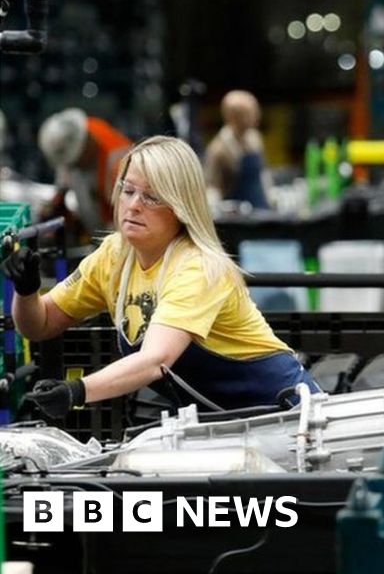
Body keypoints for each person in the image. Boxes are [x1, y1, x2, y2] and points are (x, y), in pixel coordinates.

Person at [3, 136, 320, 418]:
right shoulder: (113, 255)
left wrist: (76, 391)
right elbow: (38, 325)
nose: (134, 205)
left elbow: (156, 360)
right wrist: (26, 290)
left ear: (181, 207)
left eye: (152, 197)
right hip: (222, 423)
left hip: (287, 418)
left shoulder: (198, 268)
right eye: (128, 191)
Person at [37, 108, 133, 233]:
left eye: (74, 162)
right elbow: (65, 170)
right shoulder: (81, 129)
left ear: (85, 148)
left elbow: (130, 218)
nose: (72, 167)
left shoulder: (119, 166)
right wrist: (58, 198)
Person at [204, 89, 270, 209]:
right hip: (238, 217)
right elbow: (212, 187)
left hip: (261, 208)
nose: (257, 115)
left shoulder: (255, 138)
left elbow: (262, 173)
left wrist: (270, 196)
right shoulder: (219, 149)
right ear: (233, 116)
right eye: (250, 112)